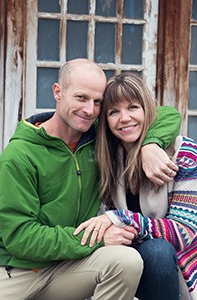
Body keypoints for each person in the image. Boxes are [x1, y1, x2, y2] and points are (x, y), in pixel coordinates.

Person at [0, 59, 181, 300]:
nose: (89, 110)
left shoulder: (97, 137)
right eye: (81, 98)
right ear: (58, 92)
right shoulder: (18, 156)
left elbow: (167, 114)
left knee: (126, 261)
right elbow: (21, 238)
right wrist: (96, 240)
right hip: (15, 271)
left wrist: (150, 143)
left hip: (68, 267)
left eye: (98, 102)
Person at [74, 72, 197, 300]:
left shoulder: (184, 152)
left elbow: (184, 233)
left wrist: (120, 219)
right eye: (113, 112)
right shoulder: (108, 158)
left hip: (176, 272)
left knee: (157, 250)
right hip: (124, 263)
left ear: (147, 110)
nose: (124, 118)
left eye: (132, 107)